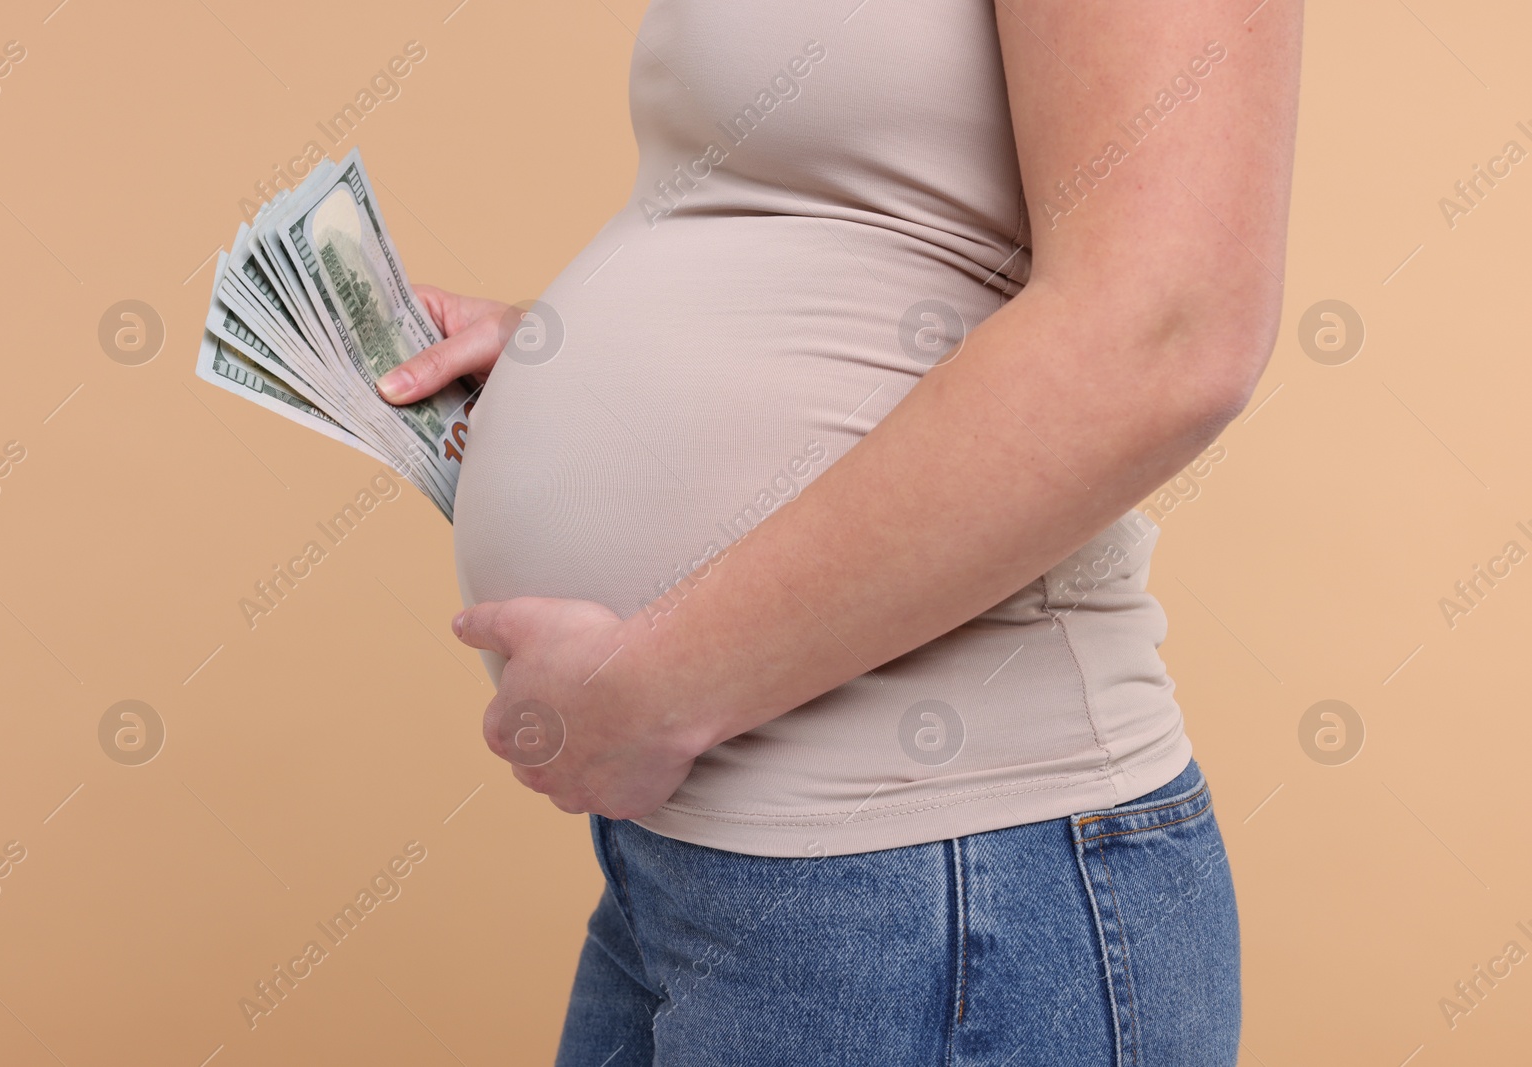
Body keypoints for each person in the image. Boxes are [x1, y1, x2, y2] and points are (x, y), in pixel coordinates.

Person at [376, 1, 1301, 1062]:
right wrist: (578, 357)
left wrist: (665, 681)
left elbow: (1167, 330)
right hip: (704, 867)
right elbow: (854, 222)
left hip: (939, 878)